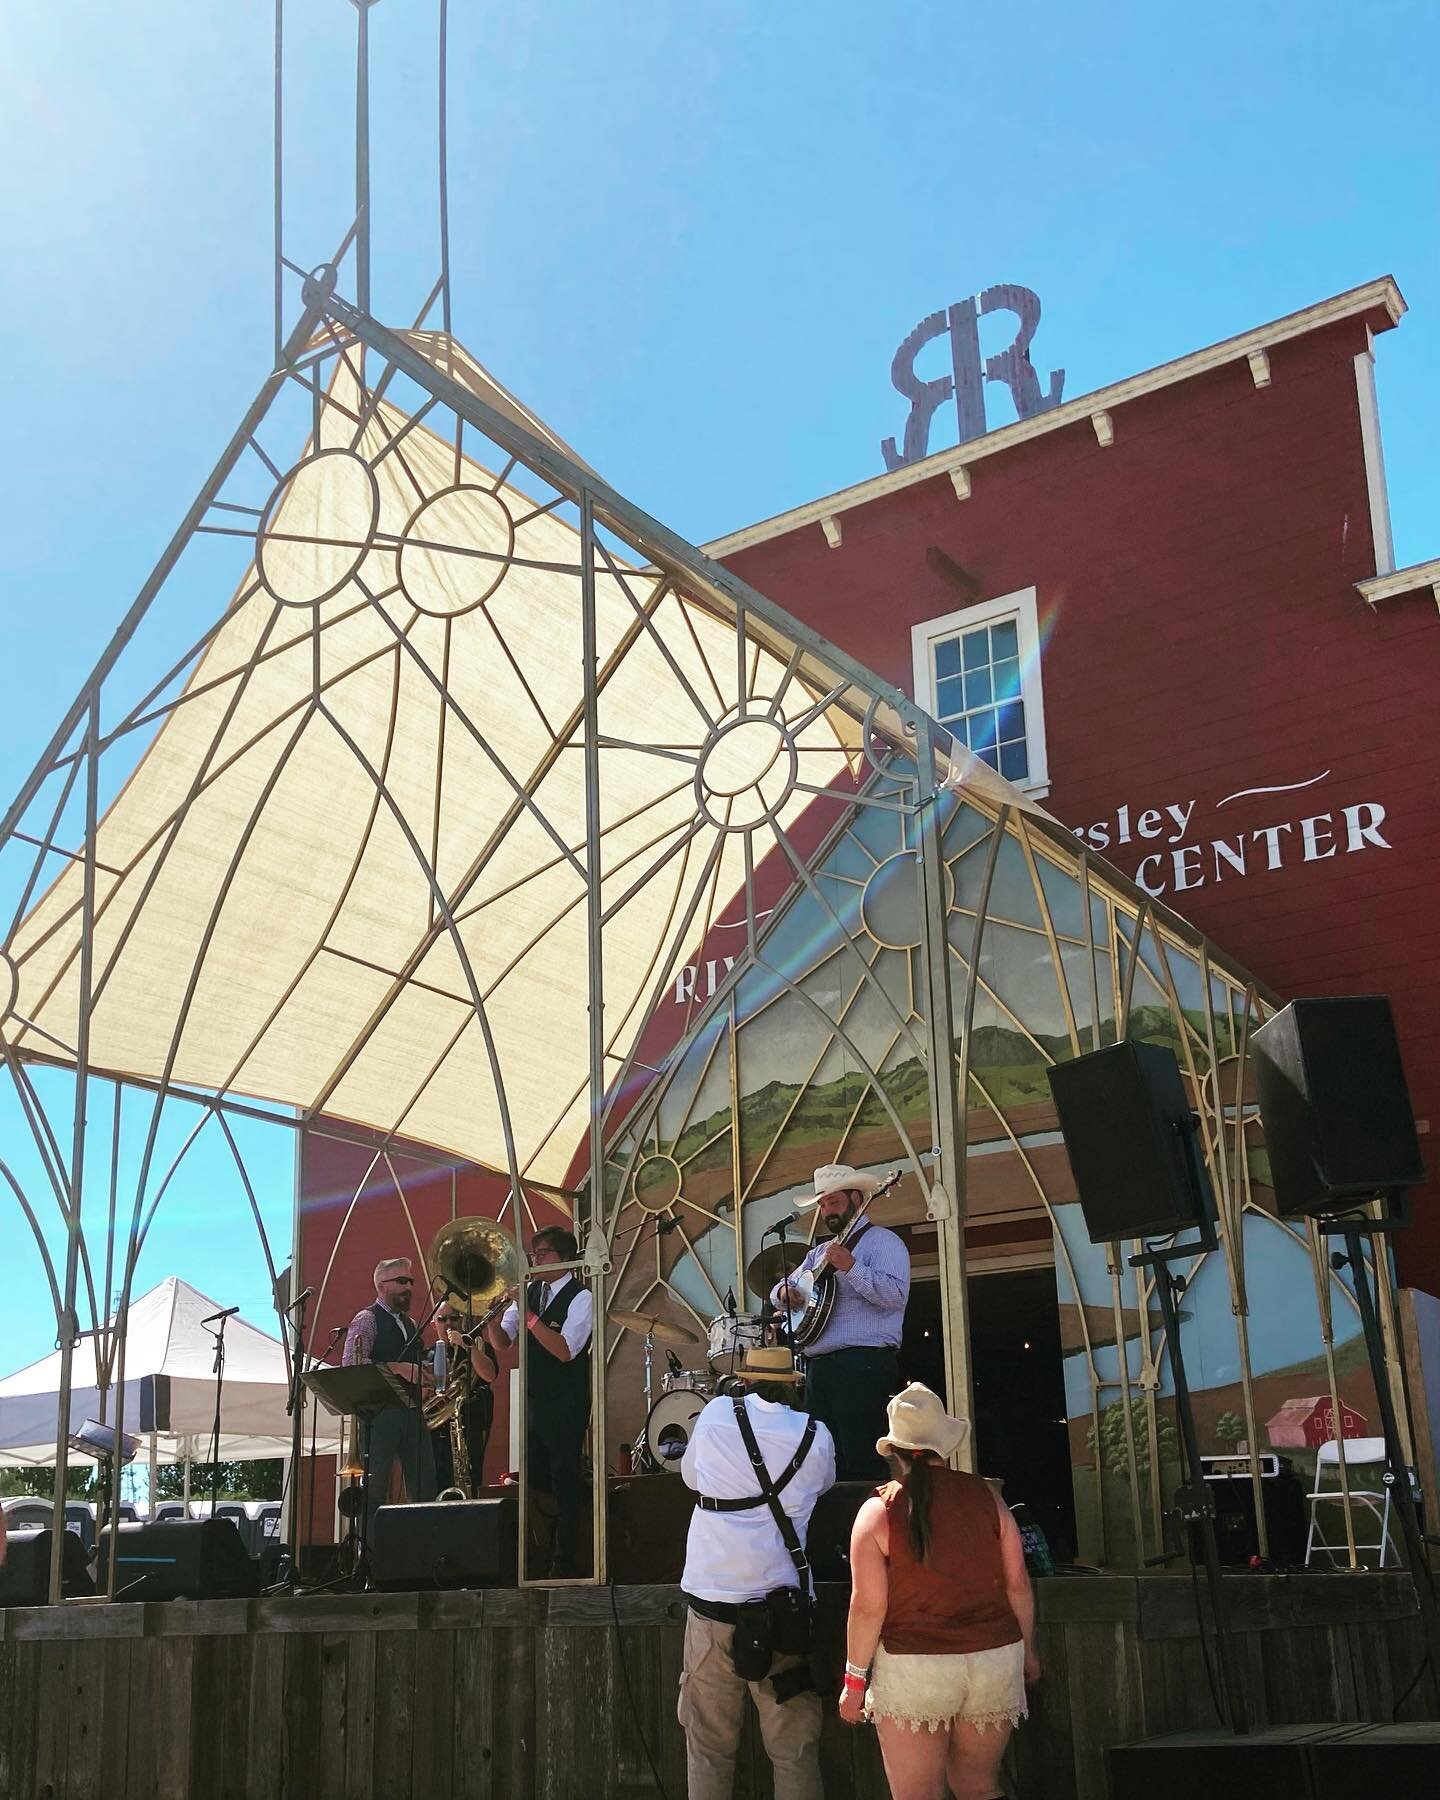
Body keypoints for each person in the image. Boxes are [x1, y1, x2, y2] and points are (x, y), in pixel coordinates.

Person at [839, 1383, 1039, 1800]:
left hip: (915, 1669)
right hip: (994, 1658)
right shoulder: (989, 1497)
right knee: (980, 1788)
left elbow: (868, 1608)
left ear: (892, 1450)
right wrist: (1029, 1651)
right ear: (944, 1446)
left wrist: (854, 1682)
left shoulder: (877, 1512)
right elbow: (1018, 1583)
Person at [678, 1345, 837, 1800]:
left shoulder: (713, 1417)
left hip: (712, 1610)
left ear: (744, 1382)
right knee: (794, 1752)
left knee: (708, 1748)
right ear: (794, 1386)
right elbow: (823, 1485)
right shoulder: (817, 1435)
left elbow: (691, 1478)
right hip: (783, 1613)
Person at [773, 1163, 910, 1480]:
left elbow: (895, 1296)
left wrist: (852, 1268)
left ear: (858, 1199)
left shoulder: (885, 1243)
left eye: (833, 1202)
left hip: (864, 1363)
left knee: (861, 1457)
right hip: (819, 1367)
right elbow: (776, 1293)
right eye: (822, 1205)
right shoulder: (818, 1253)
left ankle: (867, 1525)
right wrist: (785, 1292)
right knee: (822, 1460)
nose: (826, 1211)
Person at [484, 1224, 593, 1576]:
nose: (536, 1260)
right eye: (534, 1255)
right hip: (534, 1400)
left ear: (565, 1258)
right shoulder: (531, 1293)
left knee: (564, 1476)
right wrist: (491, 1319)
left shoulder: (582, 1297)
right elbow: (503, 1342)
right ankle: (538, 1553)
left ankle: (566, 1558)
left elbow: (564, 1350)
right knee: (535, 1476)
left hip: (566, 1400)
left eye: (543, 1254)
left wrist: (528, 1315)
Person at [342, 1256, 437, 1536]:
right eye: (402, 1281)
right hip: (379, 1414)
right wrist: (399, 1368)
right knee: (375, 1490)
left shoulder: (408, 1324)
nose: (409, 1287)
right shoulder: (367, 1318)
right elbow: (351, 1365)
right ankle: (371, 1562)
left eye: (411, 1281)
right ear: (382, 1286)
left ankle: (419, 1559)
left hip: (411, 1410)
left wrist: (426, 1373)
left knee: (424, 1486)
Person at [429, 1302, 498, 1494]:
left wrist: (466, 1345)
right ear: (434, 1325)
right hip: (437, 1431)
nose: (448, 1323)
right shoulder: (430, 1354)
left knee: (470, 1479)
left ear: (462, 1320)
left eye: (454, 1318)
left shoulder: (476, 1344)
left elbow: (489, 1375)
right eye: (442, 1320)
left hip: (468, 1427)